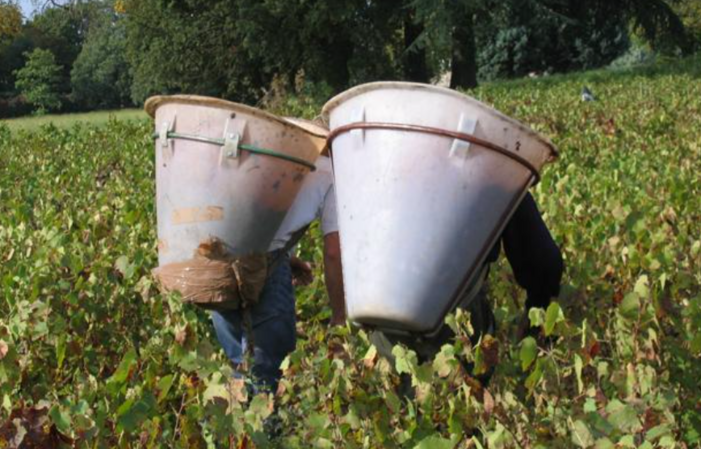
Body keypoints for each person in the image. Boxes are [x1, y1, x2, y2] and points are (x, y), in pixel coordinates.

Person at [210, 120, 345, 392]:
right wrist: (339, 316)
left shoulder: (256, 151)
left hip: (217, 267)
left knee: (238, 371)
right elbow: (333, 252)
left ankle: (239, 432)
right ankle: (268, 433)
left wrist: (290, 260)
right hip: (267, 276)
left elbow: (249, 223)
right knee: (268, 380)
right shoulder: (331, 173)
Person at [372, 191, 563, 382]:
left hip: (382, 312)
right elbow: (546, 261)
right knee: (463, 397)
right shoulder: (494, 169)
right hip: (460, 314)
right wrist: (538, 309)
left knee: (399, 398)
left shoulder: (376, 167)